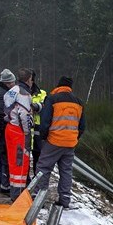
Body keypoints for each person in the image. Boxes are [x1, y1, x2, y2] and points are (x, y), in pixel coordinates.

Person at [36, 76, 85, 209]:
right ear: (70, 87)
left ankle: (39, 200)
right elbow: (82, 126)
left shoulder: (52, 99)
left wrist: (44, 136)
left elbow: (45, 121)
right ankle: (65, 200)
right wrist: (74, 137)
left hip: (53, 140)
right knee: (66, 171)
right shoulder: (79, 102)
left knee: (44, 168)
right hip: (70, 143)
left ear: (58, 85)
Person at [4, 68, 34, 201]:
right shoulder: (24, 94)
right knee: (20, 163)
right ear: (29, 79)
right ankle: (18, 195)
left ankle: (14, 191)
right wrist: (27, 132)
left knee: (13, 161)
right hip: (19, 131)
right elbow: (24, 115)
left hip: (10, 127)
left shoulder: (11, 91)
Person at [29, 69, 46, 174]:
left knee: (38, 155)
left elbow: (45, 107)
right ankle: (25, 179)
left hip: (37, 129)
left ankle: (37, 180)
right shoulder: (18, 91)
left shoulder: (42, 93)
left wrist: (34, 107)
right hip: (24, 128)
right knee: (23, 157)